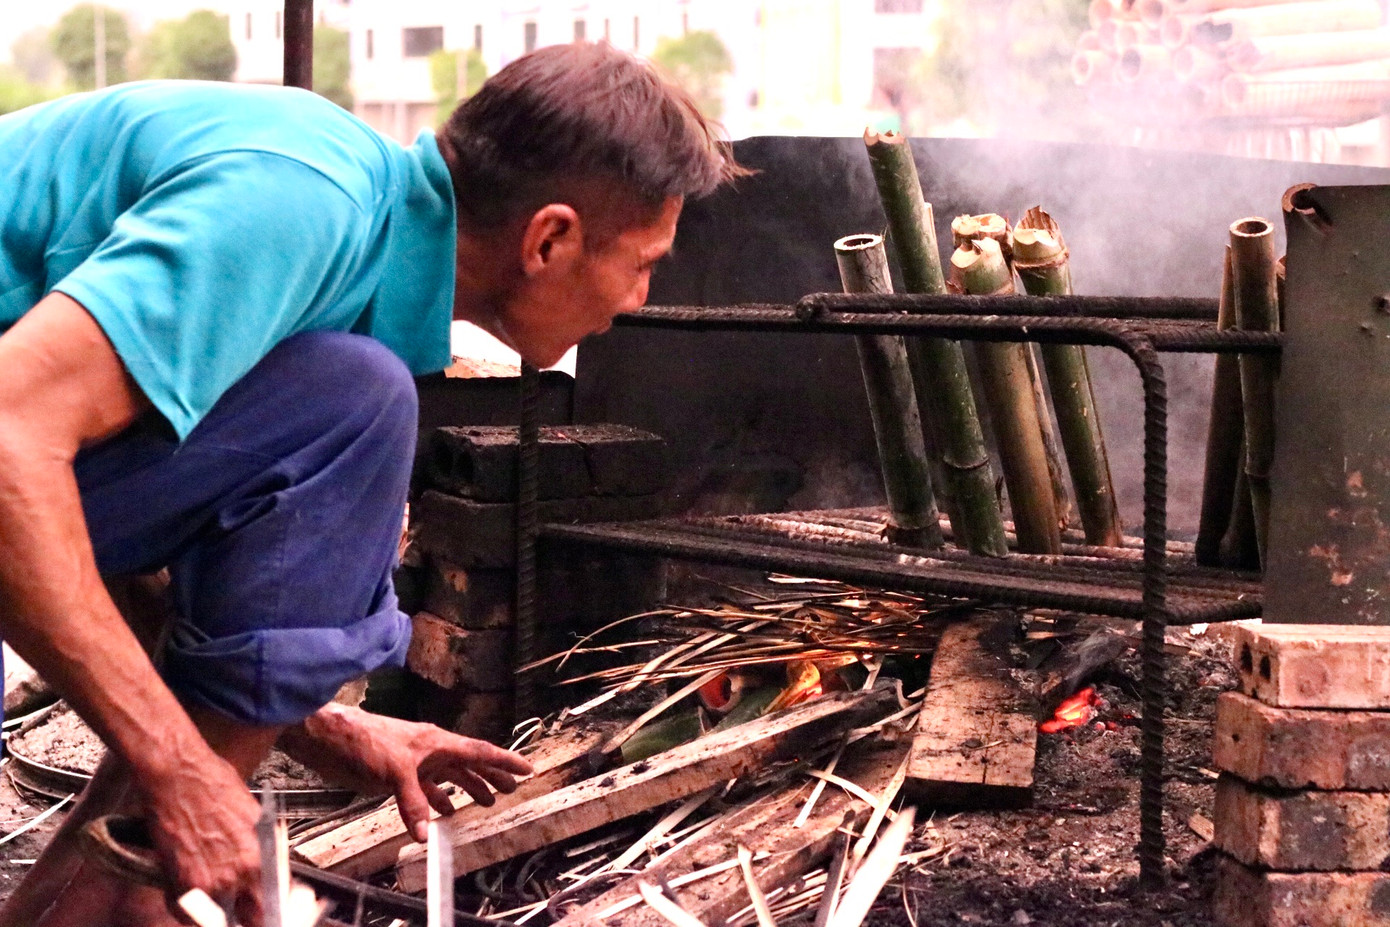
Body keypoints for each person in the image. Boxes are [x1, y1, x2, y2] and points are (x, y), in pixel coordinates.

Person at [0, 41, 743, 926]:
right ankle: (135, 903)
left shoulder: (346, 242)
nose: (639, 301)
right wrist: (180, 769)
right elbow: (11, 449)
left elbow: (109, 532)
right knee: (353, 406)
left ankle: (95, 908)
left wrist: (321, 725)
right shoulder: (301, 202)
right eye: (644, 263)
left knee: (344, 395)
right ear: (551, 238)